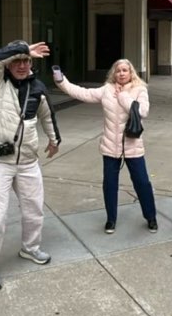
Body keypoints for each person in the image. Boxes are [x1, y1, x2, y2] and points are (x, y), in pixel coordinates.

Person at [0, 40, 61, 291]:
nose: (22, 65)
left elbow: (47, 115)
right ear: (8, 64)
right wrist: (23, 48)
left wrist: (54, 140)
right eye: (17, 61)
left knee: (34, 209)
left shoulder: (37, 88)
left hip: (27, 161)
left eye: (26, 61)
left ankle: (30, 247)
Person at [52, 59, 157, 235]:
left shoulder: (139, 89)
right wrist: (61, 80)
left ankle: (151, 217)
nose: (121, 73)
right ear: (113, 73)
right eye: (118, 70)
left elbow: (142, 111)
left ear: (131, 73)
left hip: (133, 145)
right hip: (110, 146)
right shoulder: (107, 89)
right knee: (109, 184)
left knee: (142, 183)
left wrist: (123, 96)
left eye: (125, 70)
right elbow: (82, 93)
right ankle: (111, 219)